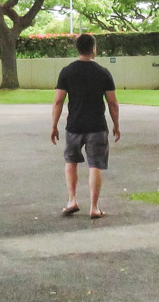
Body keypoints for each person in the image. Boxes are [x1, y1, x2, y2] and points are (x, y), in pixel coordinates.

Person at [50, 32, 120, 219]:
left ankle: (72, 200)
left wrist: (54, 125)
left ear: (78, 49)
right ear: (94, 49)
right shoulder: (103, 72)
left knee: (71, 162)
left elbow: (58, 101)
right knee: (95, 165)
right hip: (97, 126)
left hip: (74, 126)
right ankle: (94, 207)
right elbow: (113, 103)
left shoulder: (67, 71)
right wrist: (116, 125)